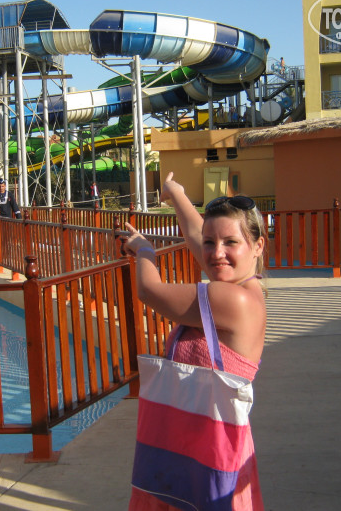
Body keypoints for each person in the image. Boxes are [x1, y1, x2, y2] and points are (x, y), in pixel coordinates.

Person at [123, 171, 266, 510]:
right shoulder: (238, 285)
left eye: (231, 242)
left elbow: (149, 290)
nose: (217, 253)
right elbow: (194, 233)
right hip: (189, 448)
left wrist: (145, 250)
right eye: (210, 243)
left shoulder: (234, 300)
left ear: (258, 246)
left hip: (208, 456)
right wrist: (176, 193)